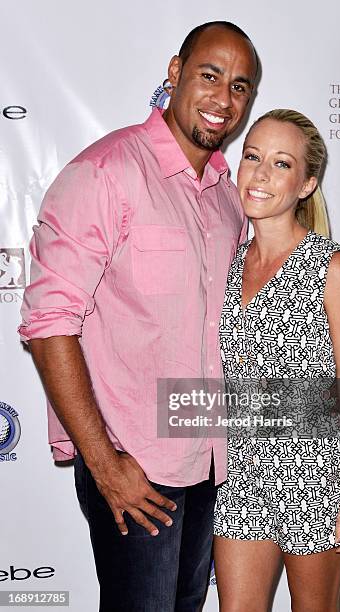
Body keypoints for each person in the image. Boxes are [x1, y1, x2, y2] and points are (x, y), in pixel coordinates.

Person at [18, 21, 258, 612]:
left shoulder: (229, 196)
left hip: (209, 461)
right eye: (209, 76)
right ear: (174, 73)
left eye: (240, 86)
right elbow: (50, 325)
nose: (223, 99)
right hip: (136, 468)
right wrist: (105, 464)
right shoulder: (107, 172)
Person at [213, 109, 340, 612]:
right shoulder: (230, 261)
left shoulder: (332, 267)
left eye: (280, 164)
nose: (259, 174)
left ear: (306, 185)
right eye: (252, 156)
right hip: (240, 474)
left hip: (315, 476)